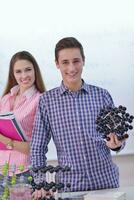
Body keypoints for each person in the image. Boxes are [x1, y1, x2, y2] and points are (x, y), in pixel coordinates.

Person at [31, 37, 126, 199]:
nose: (71, 68)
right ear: (57, 64)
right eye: (65, 62)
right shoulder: (46, 101)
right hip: (71, 187)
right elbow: (37, 148)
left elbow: (117, 138)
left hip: (106, 183)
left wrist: (116, 144)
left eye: (76, 61)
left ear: (83, 61)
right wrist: (40, 182)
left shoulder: (102, 95)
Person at [0, 51, 46, 187]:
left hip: (24, 171)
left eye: (28, 70)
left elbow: (38, 147)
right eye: (18, 71)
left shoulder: (40, 100)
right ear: (13, 74)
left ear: (35, 71)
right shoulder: (6, 98)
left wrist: (5, 140)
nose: (24, 76)